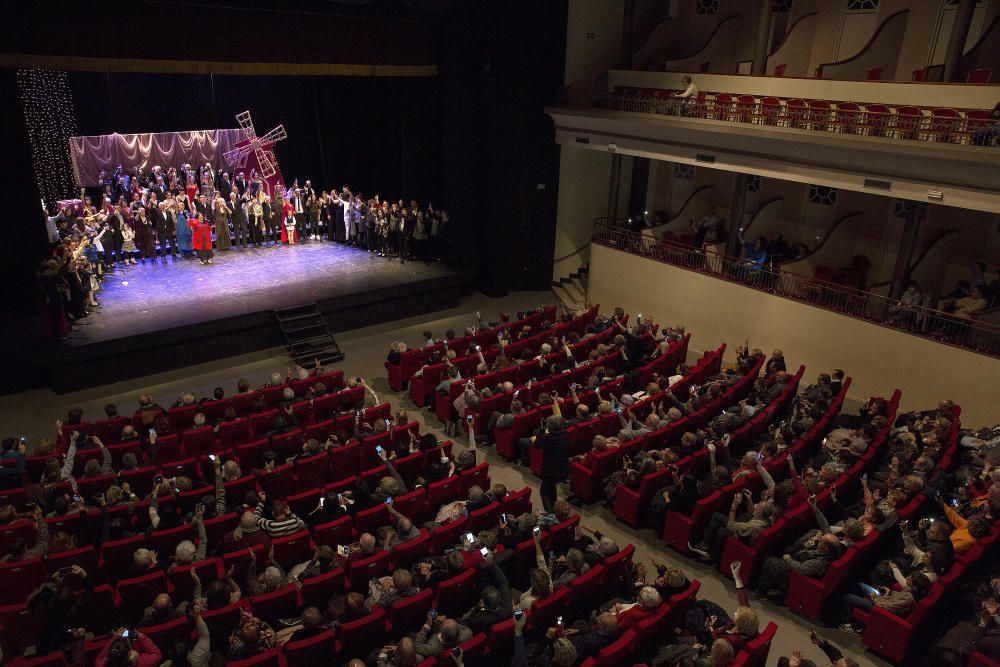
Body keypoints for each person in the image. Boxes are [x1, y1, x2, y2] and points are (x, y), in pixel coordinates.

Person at [533, 415, 571, 512]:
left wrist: (542, 430)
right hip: (563, 468)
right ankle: (554, 508)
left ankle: (551, 515)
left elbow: (536, 444)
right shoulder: (566, 434)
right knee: (551, 488)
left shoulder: (547, 438)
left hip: (550, 471)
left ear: (549, 426)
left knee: (544, 493)